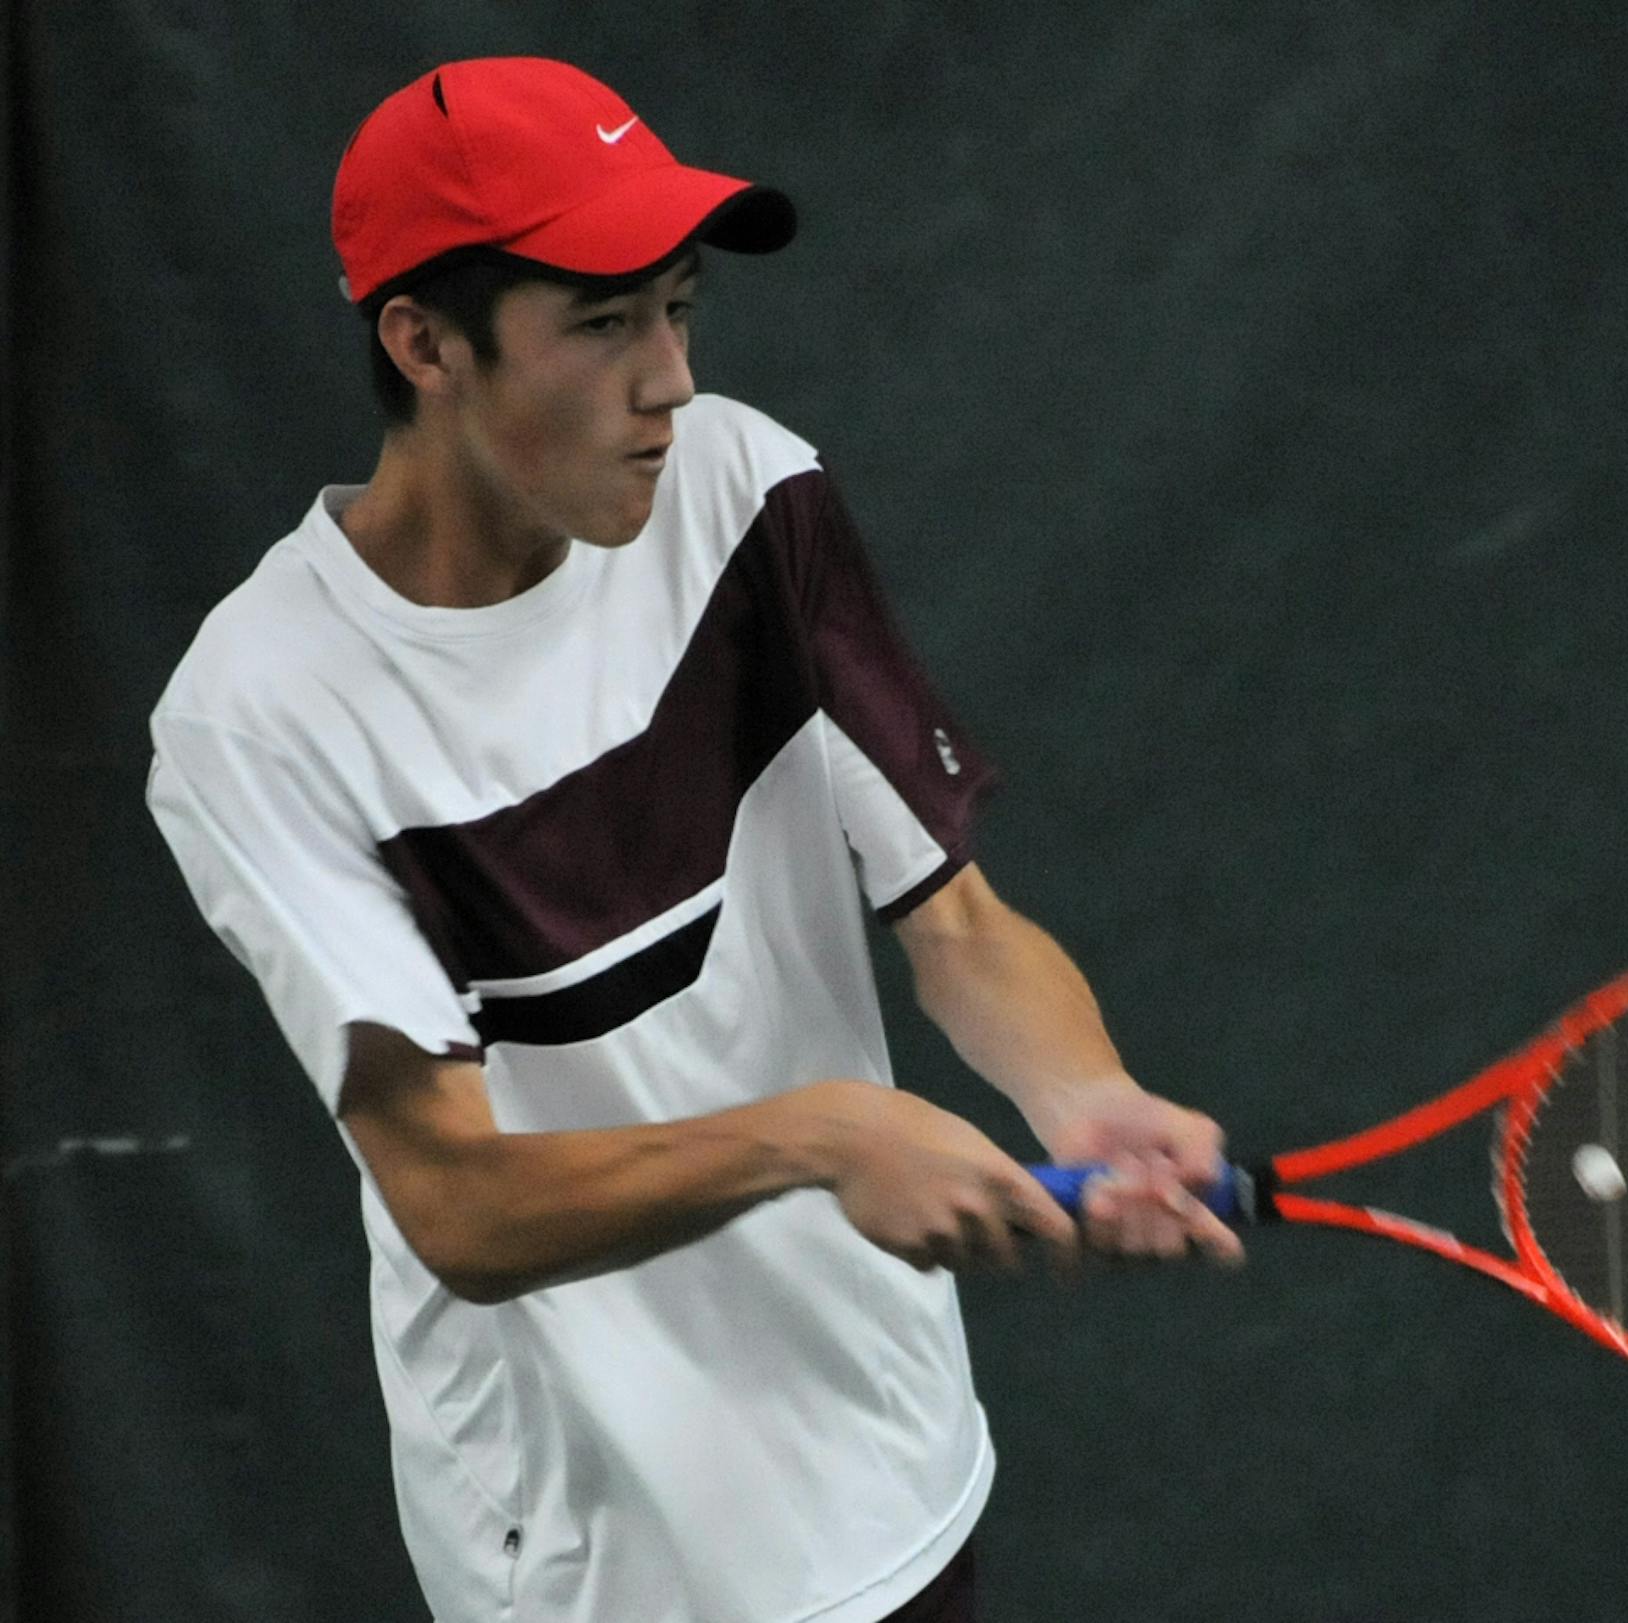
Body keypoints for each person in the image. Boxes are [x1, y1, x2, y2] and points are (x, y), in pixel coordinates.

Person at [146, 55, 1241, 1623]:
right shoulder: (259, 714)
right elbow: (460, 1199)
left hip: (888, 1468)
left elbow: (961, 925)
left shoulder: (745, 489)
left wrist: (1087, 1092)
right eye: (602, 325)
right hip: (597, 1562)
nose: (667, 378)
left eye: (680, 308)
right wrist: (817, 1136)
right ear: (425, 343)